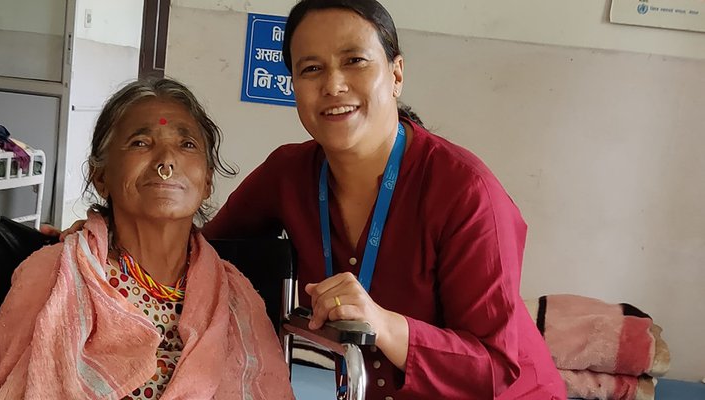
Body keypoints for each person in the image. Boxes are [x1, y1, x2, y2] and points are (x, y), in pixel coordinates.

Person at [55, 1, 567, 398]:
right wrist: (102, 241)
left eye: (354, 61)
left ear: (396, 73)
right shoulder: (289, 172)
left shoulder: (465, 192)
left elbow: (497, 370)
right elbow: (200, 254)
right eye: (312, 69)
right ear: (294, 85)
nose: (334, 85)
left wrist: (386, 324)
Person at [0, 78, 294, 400]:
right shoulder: (51, 277)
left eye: (187, 145)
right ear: (100, 177)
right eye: (141, 143)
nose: (166, 163)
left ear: (208, 182)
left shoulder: (235, 298)